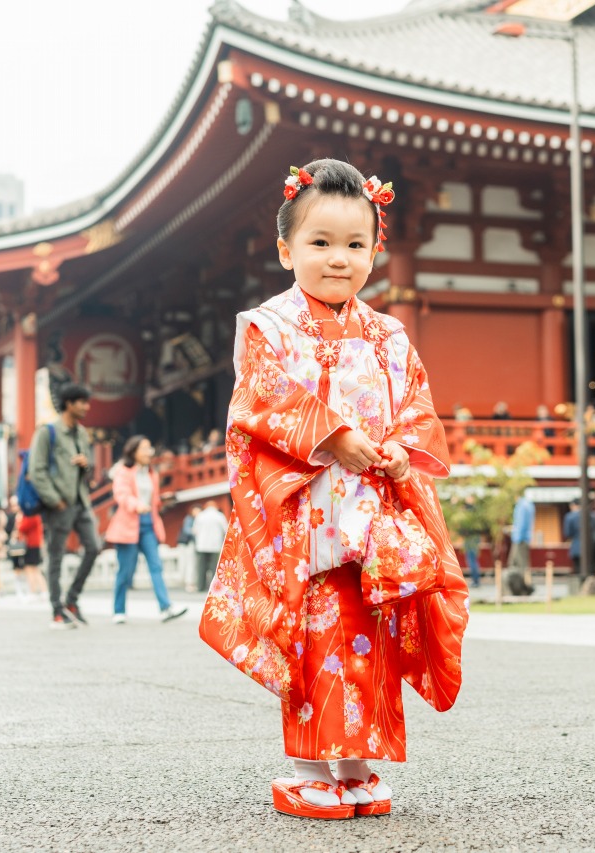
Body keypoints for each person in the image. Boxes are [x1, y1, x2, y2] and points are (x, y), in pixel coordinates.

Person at [199, 159, 468, 820]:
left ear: (376, 251)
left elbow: (416, 406)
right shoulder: (270, 327)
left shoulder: (390, 335)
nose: (338, 259)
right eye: (320, 243)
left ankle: (357, 765)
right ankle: (312, 767)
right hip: (306, 518)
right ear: (286, 248)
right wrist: (334, 435)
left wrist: (401, 447)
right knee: (314, 634)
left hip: (370, 517)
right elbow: (260, 401)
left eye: (355, 244)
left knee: (368, 630)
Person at [28, 383, 101, 629]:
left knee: (93, 547)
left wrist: (86, 464)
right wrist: (53, 499)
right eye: (82, 402)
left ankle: (71, 600)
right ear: (69, 404)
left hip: (81, 500)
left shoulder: (81, 433)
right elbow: (36, 470)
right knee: (56, 556)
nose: (87, 407)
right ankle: (56, 610)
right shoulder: (47, 432)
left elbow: (88, 463)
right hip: (59, 504)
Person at [106, 435, 187, 624]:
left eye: (150, 448)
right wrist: (136, 505)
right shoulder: (123, 472)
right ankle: (119, 610)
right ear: (133, 452)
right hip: (128, 525)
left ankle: (166, 607)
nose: (149, 452)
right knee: (125, 571)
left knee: (156, 565)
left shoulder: (152, 473)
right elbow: (121, 495)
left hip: (148, 524)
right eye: (144, 448)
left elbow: (152, 499)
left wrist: (162, 500)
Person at [8, 497, 45, 601]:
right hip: (32, 544)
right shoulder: (29, 514)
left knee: (31, 569)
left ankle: (34, 592)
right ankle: (42, 591)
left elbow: (23, 527)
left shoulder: (30, 514)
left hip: (32, 544)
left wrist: (19, 524)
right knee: (34, 569)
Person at [562, 497, 595, 579]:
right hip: (593, 548)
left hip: (577, 548)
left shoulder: (570, 517)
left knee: (578, 572)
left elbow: (568, 533)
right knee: (592, 572)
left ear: (573, 506)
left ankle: (581, 588)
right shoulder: (593, 515)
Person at [191, 500, 228, 592]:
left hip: (202, 545)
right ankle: (214, 587)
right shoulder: (219, 516)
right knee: (214, 567)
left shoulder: (200, 516)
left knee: (201, 567)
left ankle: (200, 586)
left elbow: (195, 530)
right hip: (215, 545)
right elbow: (225, 529)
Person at [510, 490, 536, 575]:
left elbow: (521, 523)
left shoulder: (521, 506)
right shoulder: (529, 505)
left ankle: (519, 585)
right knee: (524, 564)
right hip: (526, 538)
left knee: (517, 564)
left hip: (520, 539)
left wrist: (517, 538)